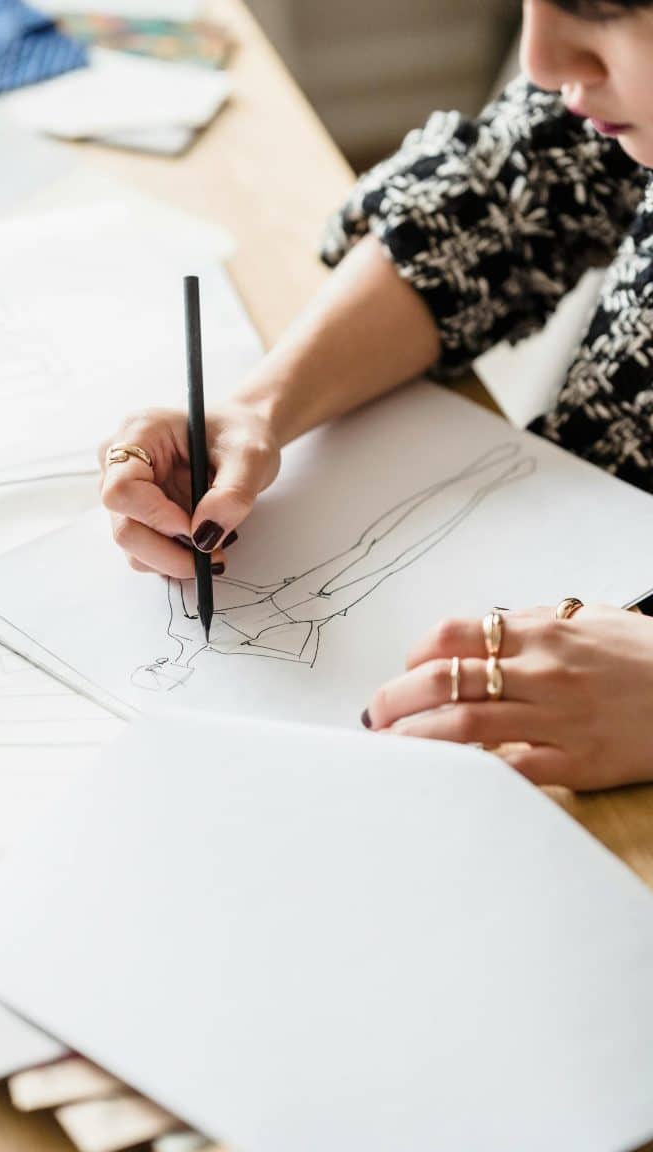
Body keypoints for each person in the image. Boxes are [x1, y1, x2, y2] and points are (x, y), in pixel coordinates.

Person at [100, 0, 653, 792]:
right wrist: (258, 409)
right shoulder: (601, 98)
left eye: (601, 8)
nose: (540, 61)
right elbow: (503, 195)